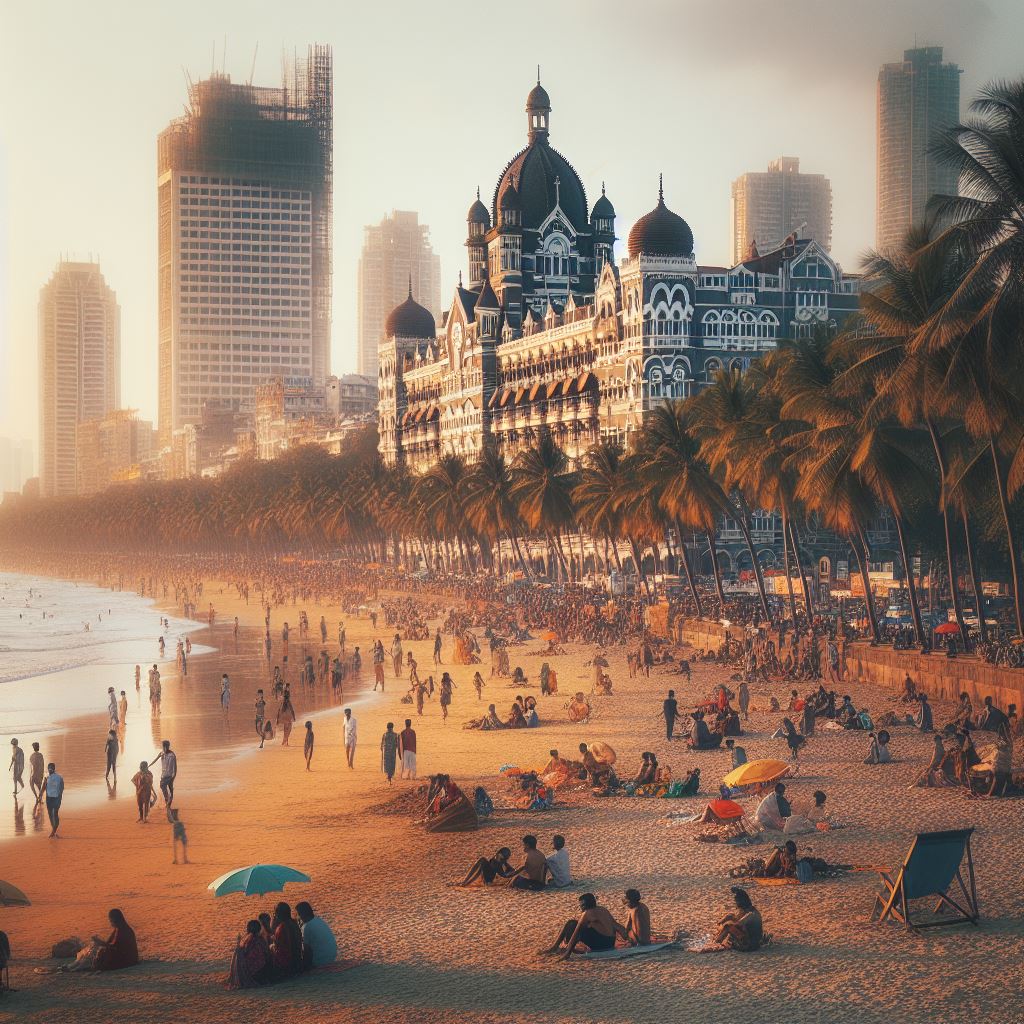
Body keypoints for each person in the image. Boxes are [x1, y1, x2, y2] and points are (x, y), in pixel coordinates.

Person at [543, 893, 617, 957]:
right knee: (572, 923)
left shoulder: (587, 913)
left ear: (585, 905)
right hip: (610, 942)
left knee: (572, 924)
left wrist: (567, 953)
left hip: (602, 945)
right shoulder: (602, 909)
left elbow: (576, 932)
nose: (581, 908)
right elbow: (615, 925)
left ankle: (555, 947)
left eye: (582, 906)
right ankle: (555, 947)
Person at [714, 887, 764, 951]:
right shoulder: (748, 910)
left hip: (751, 945)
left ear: (741, 902)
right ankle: (716, 941)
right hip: (751, 940)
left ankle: (716, 944)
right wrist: (728, 918)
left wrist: (729, 921)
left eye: (736, 902)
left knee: (728, 926)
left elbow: (738, 924)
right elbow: (738, 921)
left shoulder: (751, 914)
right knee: (730, 918)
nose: (736, 904)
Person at [225, 920, 270, 990]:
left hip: (254, 973)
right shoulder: (261, 939)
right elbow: (266, 953)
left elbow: (244, 955)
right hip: (264, 971)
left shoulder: (249, 940)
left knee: (239, 952)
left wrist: (238, 945)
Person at [296, 901, 337, 969]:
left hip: (321, 962)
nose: (298, 917)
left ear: (302, 914)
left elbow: (306, 950)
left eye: (298, 914)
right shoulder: (318, 920)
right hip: (332, 957)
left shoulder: (307, 927)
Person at [44, 762, 64, 837]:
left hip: (54, 798)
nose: (50, 770)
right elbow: (44, 787)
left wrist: (60, 796)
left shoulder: (58, 777)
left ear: (53, 769)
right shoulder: (48, 777)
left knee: (54, 814)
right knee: (51, 814)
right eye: (49, 768)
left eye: (50, 768)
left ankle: (53, 831)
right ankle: (54, 830)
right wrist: (39, 796)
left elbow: (62, 788)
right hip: (51, 798)